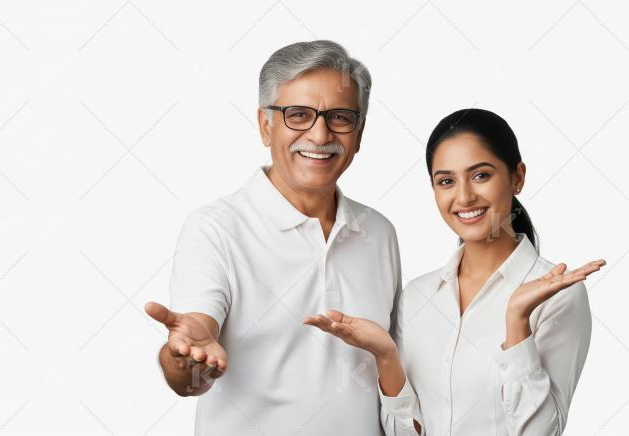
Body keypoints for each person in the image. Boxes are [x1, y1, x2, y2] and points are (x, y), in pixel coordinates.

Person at [144, 40, 402, 435]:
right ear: (266, 126)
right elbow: (192, 355)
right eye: (298, 115)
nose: (320, 134)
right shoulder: (215, 228)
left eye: (339, 117)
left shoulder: (378, 232)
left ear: (360, 132)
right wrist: (185, 359)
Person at [304, 108, 606, 435]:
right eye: (446, 181)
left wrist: (517, 322)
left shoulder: (557, 297)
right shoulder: (417, 297)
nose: (464, 197)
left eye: (481, 175)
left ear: (517, 177)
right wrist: (386, 355)